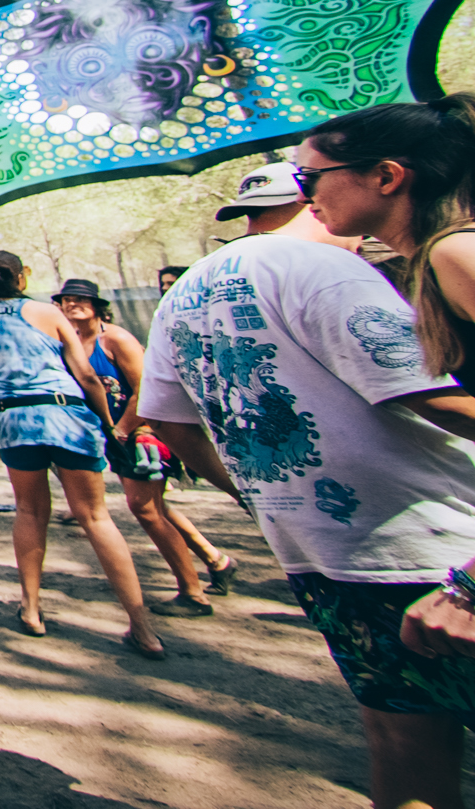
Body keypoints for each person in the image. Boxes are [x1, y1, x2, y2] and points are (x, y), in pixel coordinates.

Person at [138, 173, 475, 809]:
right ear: (311, 200)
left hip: (322, 556)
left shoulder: (184, 290)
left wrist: (257, 494)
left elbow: (169, 422)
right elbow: (433, 397)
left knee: (404, 745)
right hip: (435, 546)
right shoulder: (328, 271)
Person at [293, 96, 475, 691]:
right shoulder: (431, 261)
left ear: (387, 176)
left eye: (310, 177)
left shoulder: (456, 252)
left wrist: (471, 585)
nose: (303, 195)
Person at [0, 250, 164, 656]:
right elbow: (86, 374)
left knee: (30, 511)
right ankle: (142, 626)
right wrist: (107, 423)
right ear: (22, 277)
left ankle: (31, 609)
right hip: (67, 414)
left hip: (13, 418)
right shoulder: (50, 313)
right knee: (95, 516)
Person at [51, 277, 234, 613]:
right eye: (66, 299)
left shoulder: (115, 339)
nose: (72, 304)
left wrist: (123, 430)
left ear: (97, 306)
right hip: (114, 438)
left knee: (145, 509)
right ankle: (215, 560)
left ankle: (193, 594)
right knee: (155, 506)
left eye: (81, 299)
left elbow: (146, 389)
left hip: (142, 435)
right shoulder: (71, 342)